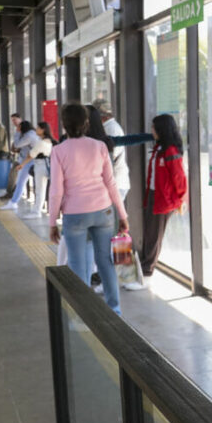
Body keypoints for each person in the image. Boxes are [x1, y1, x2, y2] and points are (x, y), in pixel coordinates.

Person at [48, 102, 129, 314]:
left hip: (74, 215)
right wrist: (122, 214)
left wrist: (52, 222)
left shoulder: (58, 151)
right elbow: (111, 183)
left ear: (64, 125)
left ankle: (84, 316)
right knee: (105, 261)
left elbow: (56, 190)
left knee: (78, 265)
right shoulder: (99, 146)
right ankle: (115, 310)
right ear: (86, 123)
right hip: (103, 211)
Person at [131, 113, 187, 290]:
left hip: (164, 199)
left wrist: (180, 200)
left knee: (154, 236)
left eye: (154, 127)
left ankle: (147, 276)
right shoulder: (160, 148)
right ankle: (144, 271)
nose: (152, 131)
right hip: (154, 196)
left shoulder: (170, 151)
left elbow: (179, 178)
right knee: (150, 234)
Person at [0, 121, 55, 216]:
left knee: (38, 189)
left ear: (43, 130)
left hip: (38, 165)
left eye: (38, 128)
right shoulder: (48, 140)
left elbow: (29, 154)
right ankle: (35, 209)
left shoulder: (36, 139)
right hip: (44, 165)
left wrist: (22, 164)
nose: (36, 129)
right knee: (40, 189)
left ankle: (35, 211)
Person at [92, 99, 131, 201]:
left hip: (116, 183)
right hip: (113, 182)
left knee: (112, 215)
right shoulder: (107, 127)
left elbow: (110, 156)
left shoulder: (112, 129)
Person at [1, 119, 35, 201]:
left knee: (21, 181)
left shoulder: (29, 135)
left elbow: (17, 144)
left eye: (15, 121)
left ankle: (13, 199)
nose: (15, 124)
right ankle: (13, 199)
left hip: (29, 161)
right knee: (20, 181)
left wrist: (17, 133)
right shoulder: (29, 134)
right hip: (25, 159)